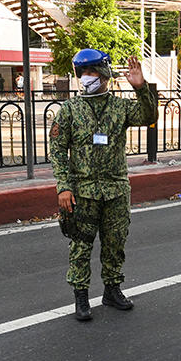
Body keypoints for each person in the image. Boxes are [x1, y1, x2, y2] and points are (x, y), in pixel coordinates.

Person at [50, 49, 158, 321]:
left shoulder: (120, 107)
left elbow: (149, 116)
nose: (87, 78)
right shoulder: (69, 110)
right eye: (83, 73)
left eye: (93, 72)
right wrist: (63, 186)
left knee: (115, 243)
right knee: (81, 246)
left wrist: (141, 88)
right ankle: (81, 297)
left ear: (105, 73)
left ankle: (112, 290)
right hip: (82, 192)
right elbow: (58, 150)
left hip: (116, 190)